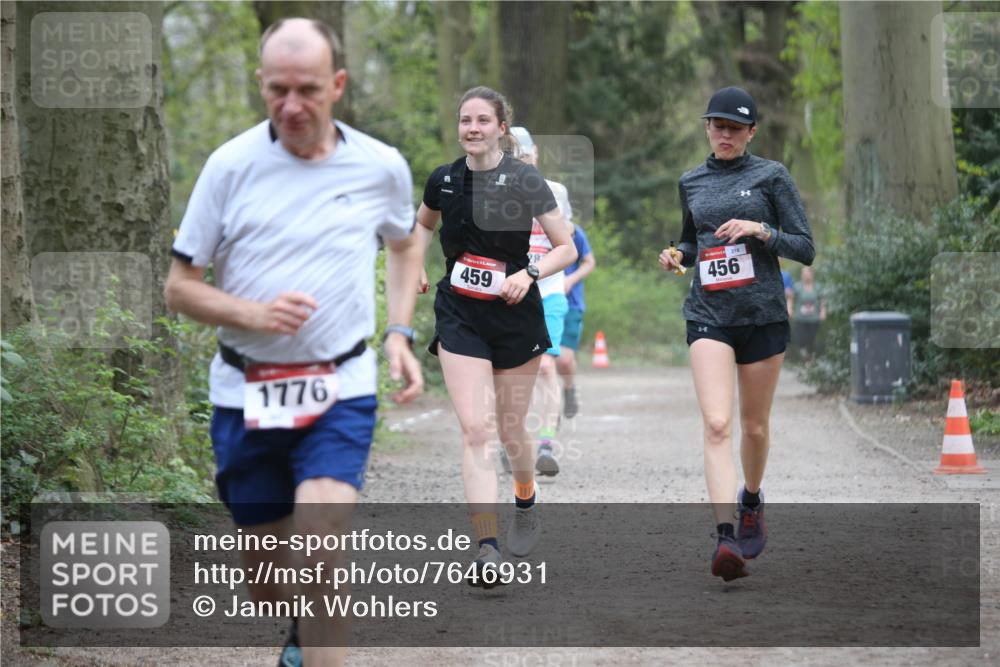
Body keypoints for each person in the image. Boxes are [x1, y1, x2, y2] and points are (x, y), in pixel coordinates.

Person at [164, 18, 424, 667]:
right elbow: (180, 288)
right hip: (244, 390)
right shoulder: (229, 167)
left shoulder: (380, 166)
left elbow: (405, 243)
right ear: (260, 84)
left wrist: (398, 331)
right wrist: (253, 312)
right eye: (277, 89)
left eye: (307, 89)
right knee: (266, 580)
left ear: (337, 85)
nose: (291, 105)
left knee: (321, 545)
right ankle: (299, 627)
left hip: (340, 384)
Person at [412, 87, 576, 581]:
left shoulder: (525, 179)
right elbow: (421, 226)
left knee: (509, 429)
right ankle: (486, 548)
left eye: (483, 120)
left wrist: (530, 273)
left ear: (502, 128)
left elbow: (565, 247)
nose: (473, 128)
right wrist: (415, 262)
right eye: (466, 120)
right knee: (476, 430)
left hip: (514, 314)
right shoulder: (443, 179)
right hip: (459, 313)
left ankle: (525, 498)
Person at [659, 86, 814, 582]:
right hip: (709, 314)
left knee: (754, 427)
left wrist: (760, 230)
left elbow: (805, 247)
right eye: (717, 126)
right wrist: (677, 254)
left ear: (751, 132)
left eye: (734, 128)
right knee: (717, 424)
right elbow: (692, 240)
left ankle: (751, 499)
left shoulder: (772, 176)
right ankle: (725, 537)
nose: (724, 135)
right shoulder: (691, 181)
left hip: (762, 315)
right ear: (707, 128)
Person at [509, 125, 575, 477]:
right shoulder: (498, 193)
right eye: (514, 154)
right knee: (510, 372)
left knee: (546, 366)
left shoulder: (556, 191)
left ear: (535, 153)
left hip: (548, 292)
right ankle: (512, 440)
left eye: (525, 153)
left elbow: (569, 236)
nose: (521, 159)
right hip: (510, 293)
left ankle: (546, 443)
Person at [557, 222, 595, 418]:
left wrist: (570, 280)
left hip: (570, 303)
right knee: (542, 363)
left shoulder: (573, 230)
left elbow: (589, 261)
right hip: (539, 302)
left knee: (564, 360)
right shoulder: (531, 230)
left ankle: (569, 387)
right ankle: (549, 411)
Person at [791, 266, 827, 358]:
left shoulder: (818, 287)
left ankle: (811, 357)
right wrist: (790, 309)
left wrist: (823, 311)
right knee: (801, 339)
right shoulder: (797, 286)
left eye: (808, 274)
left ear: (812, 275)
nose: (806, 276)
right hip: (800, 318)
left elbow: (822, 299)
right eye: (804, 274)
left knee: (812, 339)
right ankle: (803, 356)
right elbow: (791, 299)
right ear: (801, 275)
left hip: (814, 318)